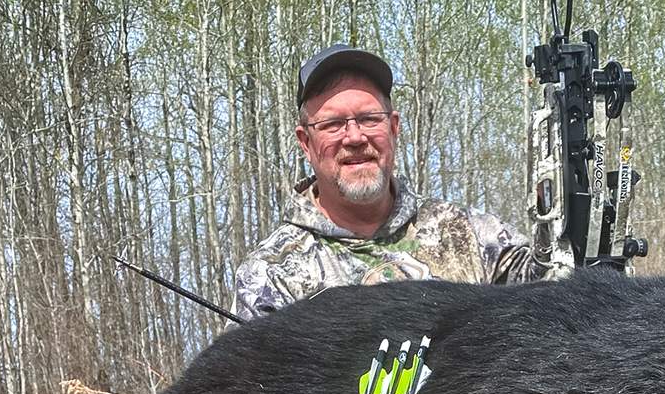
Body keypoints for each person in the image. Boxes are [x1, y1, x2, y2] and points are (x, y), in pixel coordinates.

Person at [234, 44, 554, 320]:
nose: (355, 137)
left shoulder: (469, 235)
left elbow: (554, 290)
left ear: (394, 127)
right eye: (333, 124)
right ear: (305, 142)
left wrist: (562, 208)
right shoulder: (272, 275)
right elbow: (244, 387)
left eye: (369, 119)